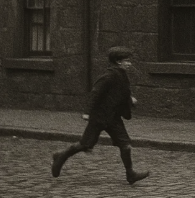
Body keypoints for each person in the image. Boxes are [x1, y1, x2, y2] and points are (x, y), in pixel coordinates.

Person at [50, 47, 149, 185]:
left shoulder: (121, 74)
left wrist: (129, 99)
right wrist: (87, 112)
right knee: (85, 145)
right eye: (127, 61)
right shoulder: (108, 76)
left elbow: (118, 92)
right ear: (118, 61)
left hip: (113, 117)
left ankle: (130, 174)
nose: (129, 64)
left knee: (125, 145)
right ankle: (61, 155)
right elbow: (95, 94)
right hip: (99, 117)